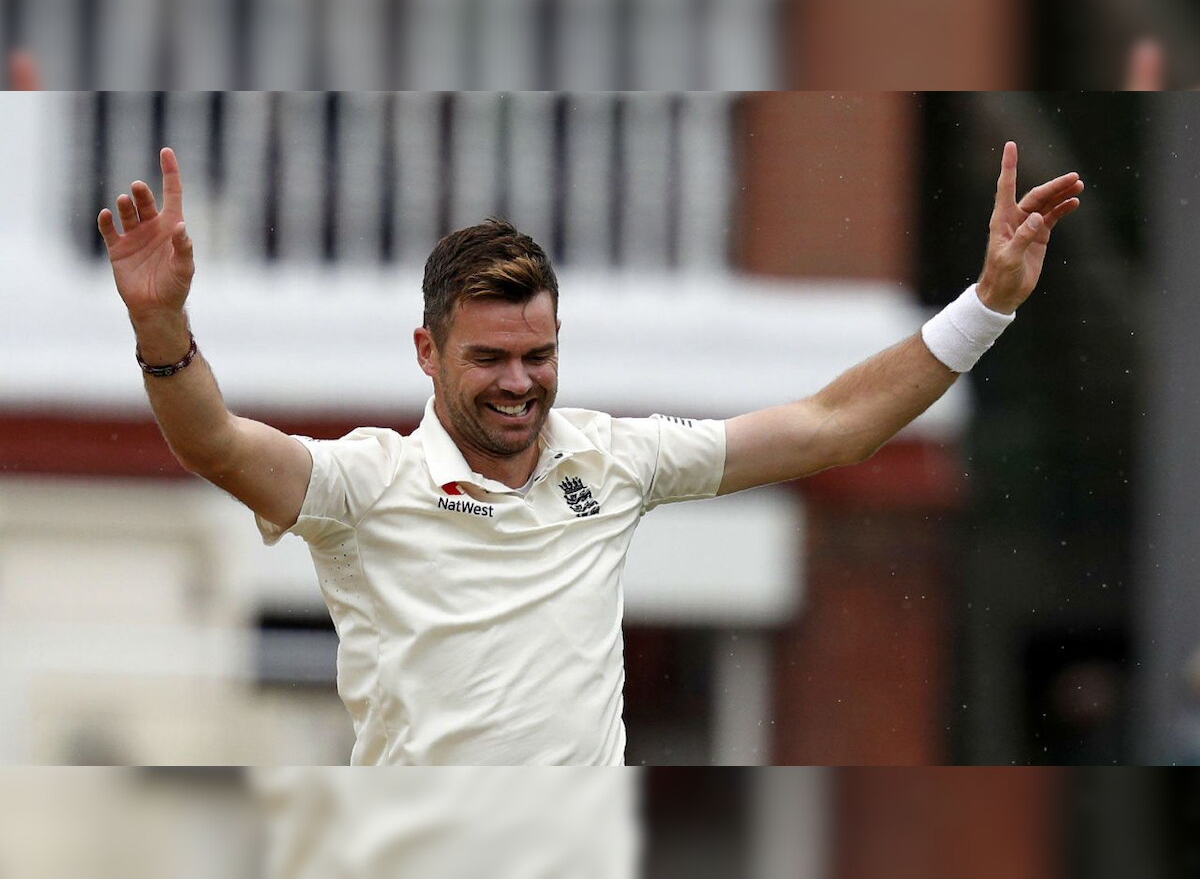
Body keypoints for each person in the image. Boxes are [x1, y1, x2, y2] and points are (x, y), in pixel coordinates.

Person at [99, 142, 1083, 764]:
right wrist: (163, 325)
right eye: (489, 359)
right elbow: (217, 446)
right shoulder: (367, 482)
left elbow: (837, 425)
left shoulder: (612, 459)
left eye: (540, 354)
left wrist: (988, 303)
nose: (520, 382)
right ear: (426, 353)